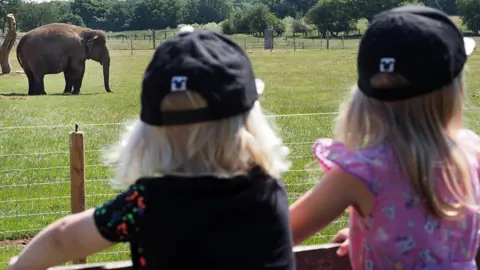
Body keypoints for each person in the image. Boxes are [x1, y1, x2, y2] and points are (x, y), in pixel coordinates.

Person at [8, 27, 295, 270]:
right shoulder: (269, 192)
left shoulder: (145, 204)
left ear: (147, 132)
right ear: (250, 122)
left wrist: (17, 266)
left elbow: (62, 238)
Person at [288, 5, 480, 270]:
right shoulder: (472, 153)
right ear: (452, 91)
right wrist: (371, 239)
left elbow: (278, 236)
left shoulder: (362, 171)